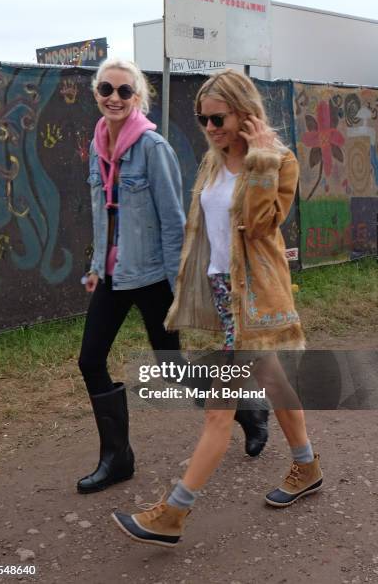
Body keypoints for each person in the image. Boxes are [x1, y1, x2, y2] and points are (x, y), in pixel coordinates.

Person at [112, 70, 323, 546]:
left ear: (244, 113)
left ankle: (173, 513)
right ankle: (307, 465)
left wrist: (263, 160)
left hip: (257, 299)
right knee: (272, 379)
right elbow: (203, 232)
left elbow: (258, 224)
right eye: (202, 118)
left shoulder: (278, 161)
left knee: (217, 412)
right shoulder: (213, 162)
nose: (209, 127)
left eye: (218, 117)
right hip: (224, 295)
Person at [77, 58, 185, 494]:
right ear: (97, 94)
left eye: (124, 91)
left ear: (137, 98)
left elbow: (174, 222)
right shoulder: (96, 145)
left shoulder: (154, 148)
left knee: (175, 374)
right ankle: (117, 458)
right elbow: (102, 214)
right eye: (107, 89)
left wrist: (179, 290)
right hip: (112, 275)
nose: (114, 98)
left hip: (153, 276)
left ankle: (247, 410)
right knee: (90, 359)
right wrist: (94, 265)